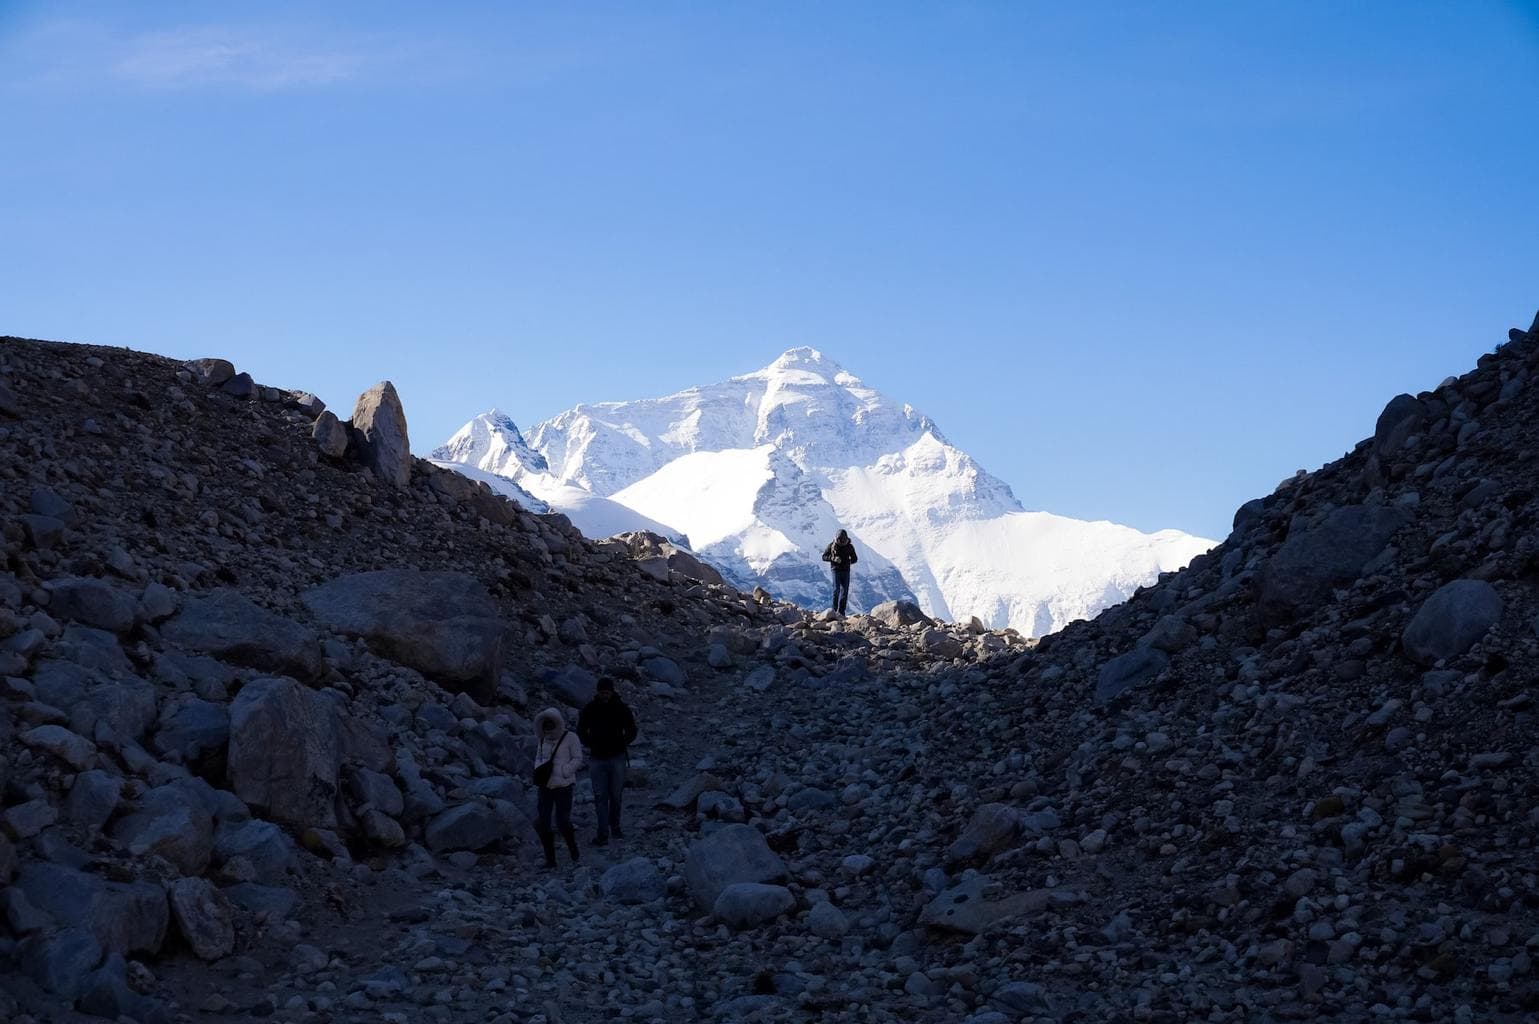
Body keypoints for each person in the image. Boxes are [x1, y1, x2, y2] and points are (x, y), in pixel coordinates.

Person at [577, 677, 639, 847]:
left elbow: (632, 730)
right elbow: (581, 729)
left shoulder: (621, 708)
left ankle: (615, 826)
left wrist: (622, 742)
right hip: (597, 758)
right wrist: (590, 742)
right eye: (602, 692)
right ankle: (603, 832)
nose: (605, 695)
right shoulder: (590, 709)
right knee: (600, 796)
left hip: (617, 757)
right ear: (598, 692)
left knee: (616, 796)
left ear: (612, 691)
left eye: (607, 692)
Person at [533, 707, 584, 867]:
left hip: (564, 786)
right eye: (545, 725)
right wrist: (538, 773)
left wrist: (565, 771)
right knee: (543, 822)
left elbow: (577, 758)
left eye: (551, 724)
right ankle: (551, 860)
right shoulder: (542, 739)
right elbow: (538, 758)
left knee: (562, 822)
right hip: (545, 786)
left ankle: (572, 847)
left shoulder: (571, 737)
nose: (548, 728)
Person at [822, 529, 859, 615]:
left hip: (845, 571)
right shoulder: (832, 546)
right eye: (840, 539)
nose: (842, 541)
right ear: (837, 538)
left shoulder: (849, 547)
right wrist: (833, 558)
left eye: (843, 539)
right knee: (836, 590)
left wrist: (848, 561)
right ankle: (834, 611)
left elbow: (855, 559)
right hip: (836, 570)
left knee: (844, 591)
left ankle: (841, 612)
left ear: (846, 538)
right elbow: (824, 557)